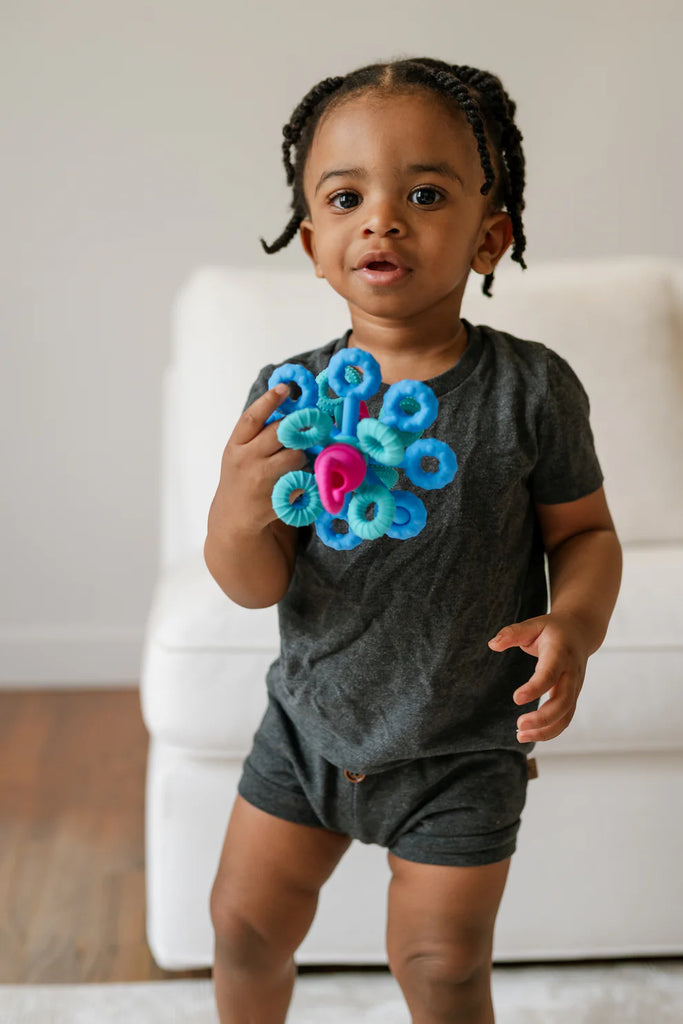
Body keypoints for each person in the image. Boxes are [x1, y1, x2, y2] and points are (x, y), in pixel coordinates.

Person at [204, 57, 623, 1024]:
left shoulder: (531, 390)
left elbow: (588, 532)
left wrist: (576, 622)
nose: (381, 219)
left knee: (438, 965)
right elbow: (255, 584)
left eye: (424, 193)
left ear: (490, 235)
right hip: (308, 731)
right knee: (243, 926)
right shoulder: (290, 400)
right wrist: (235, 511)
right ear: (313, 244)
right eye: (347, 196)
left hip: (462, 749)